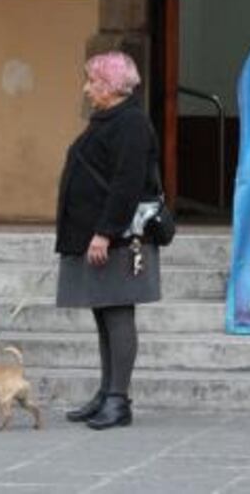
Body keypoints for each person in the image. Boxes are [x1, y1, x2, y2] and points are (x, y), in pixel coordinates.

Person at [55, 51, 162, 430]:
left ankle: (119, 400)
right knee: (103, 311)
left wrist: (105, 231)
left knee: (118, 312)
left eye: (92, 82)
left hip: (117, 237)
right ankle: (106, 392)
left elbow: (126, 183)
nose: (86, 90)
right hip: (95, 234)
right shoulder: (107, 120)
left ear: (111, 86)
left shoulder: (131, 123)